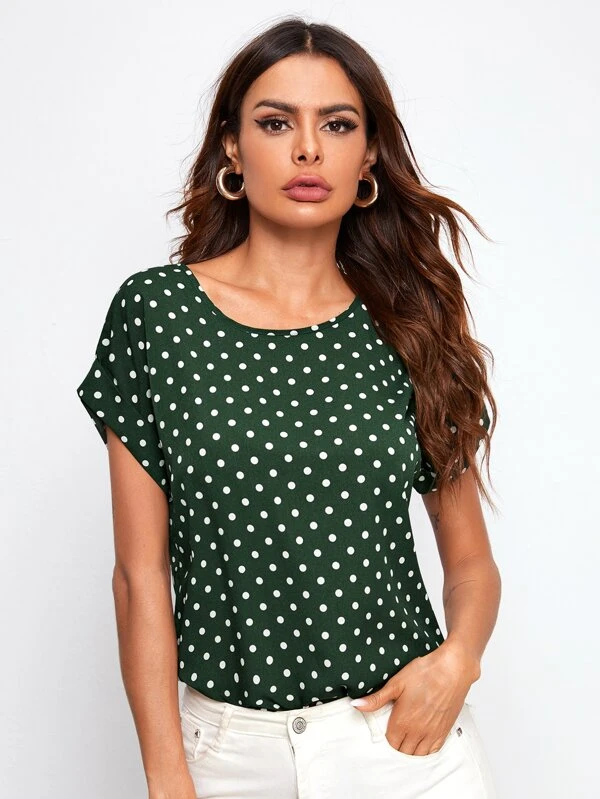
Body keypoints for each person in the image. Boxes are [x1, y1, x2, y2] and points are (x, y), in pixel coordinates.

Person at [76, 16, 500, 799]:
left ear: (367, 156)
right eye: (276, 123)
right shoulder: (159, 315)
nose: (308, 150)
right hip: (227, 754)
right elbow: (139, 576)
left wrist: (458, 661)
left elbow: (470, 560)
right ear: (232, 149)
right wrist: (167, 776)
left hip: (402, 747)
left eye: (336, 125)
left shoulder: (408, 325)